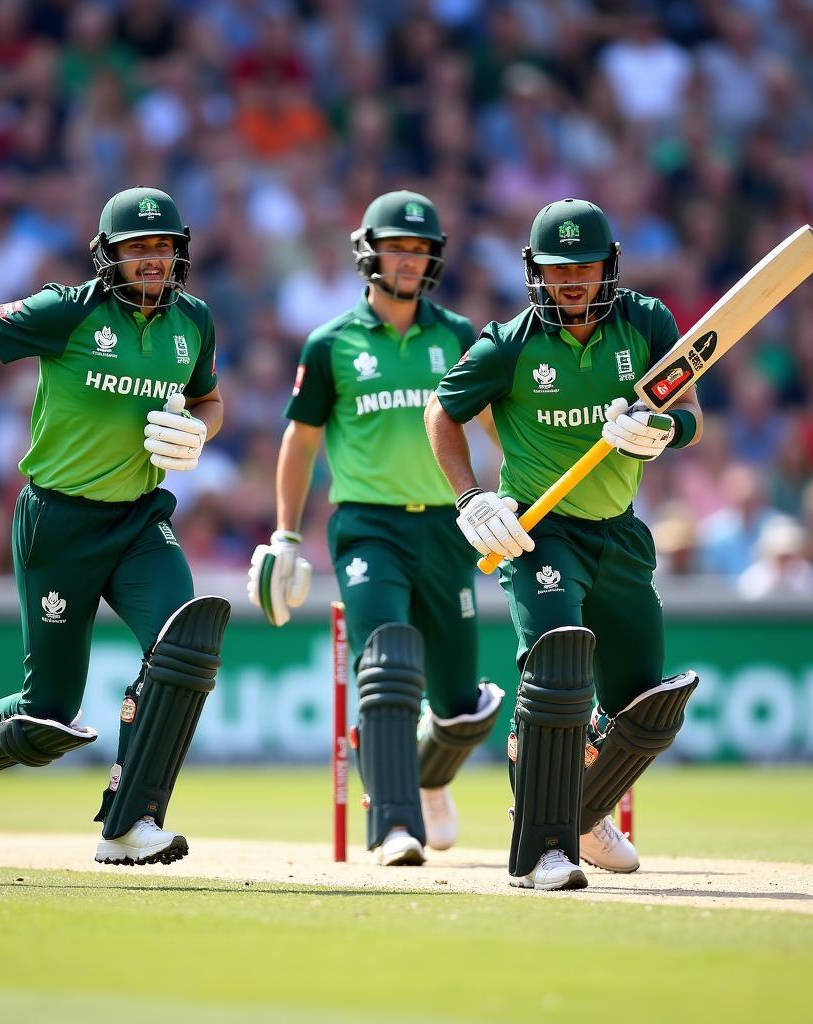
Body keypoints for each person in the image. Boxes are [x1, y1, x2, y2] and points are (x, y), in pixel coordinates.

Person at [0, 186, 230, 867]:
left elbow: (209, 398)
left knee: (185, 645)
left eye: (164, 247)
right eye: (138, 249)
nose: (153, 261)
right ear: (109, 256)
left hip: (138, 519)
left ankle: (130, 822)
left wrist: (200, 429)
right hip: (58, 521)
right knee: (47, 716)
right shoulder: (68, 312)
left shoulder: (194, 321)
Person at [425, 198, 703, 890]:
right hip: (539, 531)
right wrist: (471, 497)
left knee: (644, 706)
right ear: (535, 273)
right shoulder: (510, 343)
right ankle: (542, 842)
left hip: (620, 531)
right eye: (556, 269)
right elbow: (442, 412)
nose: (571, 280)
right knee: (556, 674)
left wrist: (666, 431)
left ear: (609, 266)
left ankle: (586, 812)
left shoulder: (647, 322)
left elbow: (691, 410)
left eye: (583, 266)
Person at [248, 191, 502, 866]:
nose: (411, 262)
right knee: (386, 663)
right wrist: (286, 534)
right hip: (368, 527)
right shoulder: (331, 343)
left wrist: (513, 494)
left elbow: (498, 425)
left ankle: (431, 774)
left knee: (461, 707)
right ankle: (395, 824)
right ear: (369, 252)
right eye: (399, 248)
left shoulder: (456, 335)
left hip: (450, 528)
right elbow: (300, 442)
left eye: (421, 251)